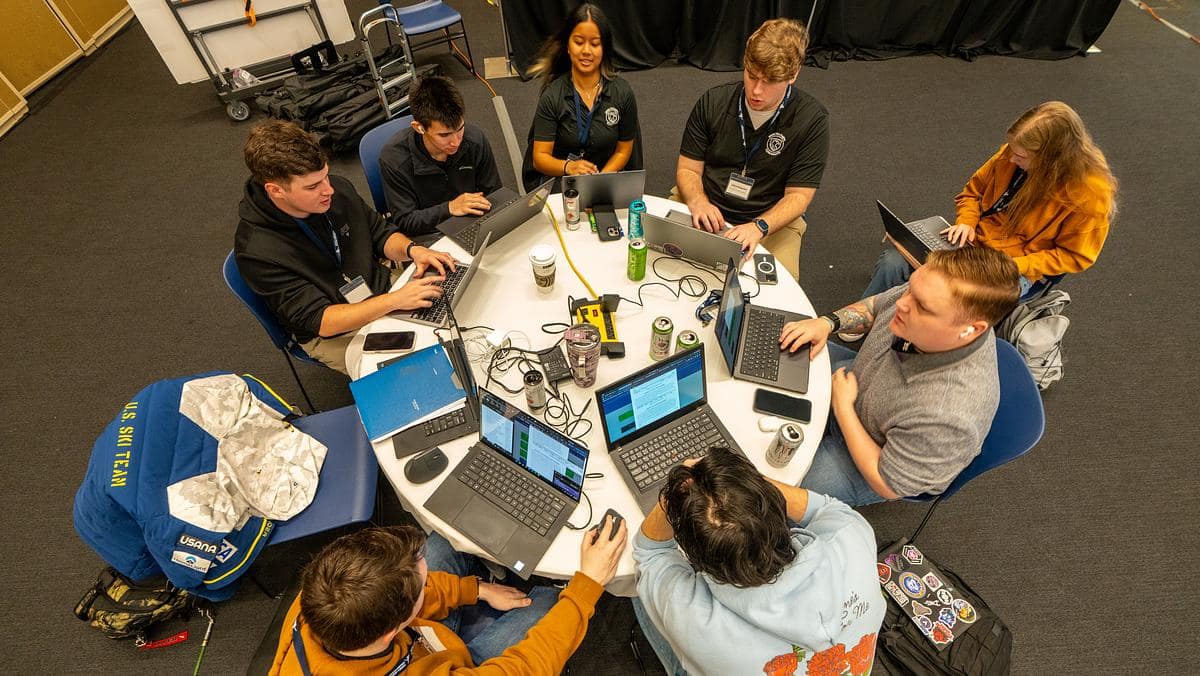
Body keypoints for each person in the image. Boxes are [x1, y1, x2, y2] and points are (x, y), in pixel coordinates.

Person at [780, 247, 1021, 506]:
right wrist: (827, 323)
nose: (901, 303)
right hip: (855, 384)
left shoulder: (949, 416)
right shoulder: (924, 297)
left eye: (922, 306)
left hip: (870, 456)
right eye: (910, 288)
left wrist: (843, 408)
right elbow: (876, 305)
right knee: (779, 349)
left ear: (970, 330)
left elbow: (886, 483)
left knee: (778, 490)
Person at [632, 450, 883, 676]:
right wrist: (745, 484)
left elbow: (650, 553)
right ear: (777, 507)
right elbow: (825, 508)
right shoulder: (851, 537)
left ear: (694, 557)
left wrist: (678, 492)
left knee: (637, 591)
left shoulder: (697, 622)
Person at [235, 121, 456, 375]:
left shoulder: (336, 190)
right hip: (334, 330)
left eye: (326, 176)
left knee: (454, 314)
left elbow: (379, 233)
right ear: (275, 190)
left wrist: (413, 250)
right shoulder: (257, 251)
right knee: (423, 371)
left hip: (378, 287)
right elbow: (320, 321)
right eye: (312, 186)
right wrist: (394, 301)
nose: (328, 190)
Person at [270, 521, 627, 674]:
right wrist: (586, 588)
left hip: (420, 643)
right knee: (550, 603)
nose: (428, 581)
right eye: (421, 586)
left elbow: (407, 588)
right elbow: (525, 668)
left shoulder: (317, 596)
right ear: (389, 631)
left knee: (441, 541)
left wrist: (477, 589)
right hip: (451, 665)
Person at [863, 100, 1118, 300]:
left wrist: (1012, 265)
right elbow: (972, 193)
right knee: (893, 261)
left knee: (954, 296)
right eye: (1012, 150)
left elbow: (1075, 257)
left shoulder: (1090, 195)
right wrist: (966, 223)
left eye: (1021, 156)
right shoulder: (1011, 154)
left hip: (1016, 266)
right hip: (974, 242)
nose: (1011, 159)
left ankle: (916, 340)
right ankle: (864, 317)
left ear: (1052, 158)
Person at [674, 18, 830, 282]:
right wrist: (698, 201)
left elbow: (799, 197)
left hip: (771, 221)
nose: (756, 90)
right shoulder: (713, 102)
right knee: (665, 260)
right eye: (751, 75)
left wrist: (759, 227)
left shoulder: (811, 120)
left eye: (769, 81)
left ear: (793, 75)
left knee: (776, 293)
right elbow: (688, 168)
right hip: (706, 203)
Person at [521, 2, 641, 191]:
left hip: (606, 178)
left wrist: (600, 181)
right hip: (564, 180)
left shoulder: (622, 92)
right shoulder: (552, 96)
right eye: (578, 42)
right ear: (568, 46)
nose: (586, 50)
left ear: (604, 49)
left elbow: (623, 150)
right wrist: (569, 167)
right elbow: (539, 158)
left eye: (594, 44)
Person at [378, 75, 503, 239]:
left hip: (474, 225)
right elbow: (405, 221)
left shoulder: (475, 140)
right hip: (428, 235)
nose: (456, 142)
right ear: (419, 128)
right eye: (444, 135)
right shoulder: (394, 159)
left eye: (460, 129)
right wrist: (450, 208)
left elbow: (495, 193)